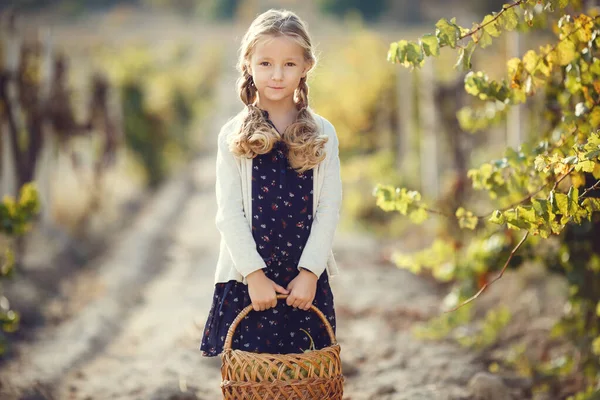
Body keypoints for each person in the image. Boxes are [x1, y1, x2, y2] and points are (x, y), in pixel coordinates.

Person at [200, 8, 342, 357]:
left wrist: (310, 272)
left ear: (306, 66)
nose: (277, 75)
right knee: (253, 382)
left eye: (289, 64)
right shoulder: (232, 136)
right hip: (250, 283)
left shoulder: (322, 134)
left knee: (306, 376)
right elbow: (228, 214)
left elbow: (328, 207)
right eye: (265, 64)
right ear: (247, 63)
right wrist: (254, 275)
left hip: (303, 282)